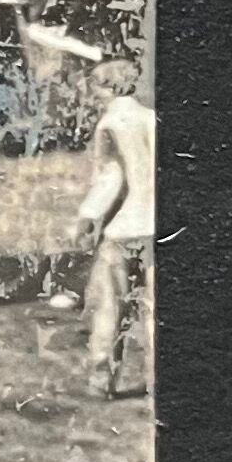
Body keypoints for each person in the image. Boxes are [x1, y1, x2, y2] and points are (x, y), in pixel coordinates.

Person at [74, 55, 156, 400]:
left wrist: (87, 216)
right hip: (155, 228)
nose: (92, 94)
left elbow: (111, 177)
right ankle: (159, 381)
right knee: (155, 310)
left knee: (109, 305)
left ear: (109, 86)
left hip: (125, 227)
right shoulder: (151, 118)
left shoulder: (110, 123)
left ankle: (101, 379)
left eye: (95, 86)